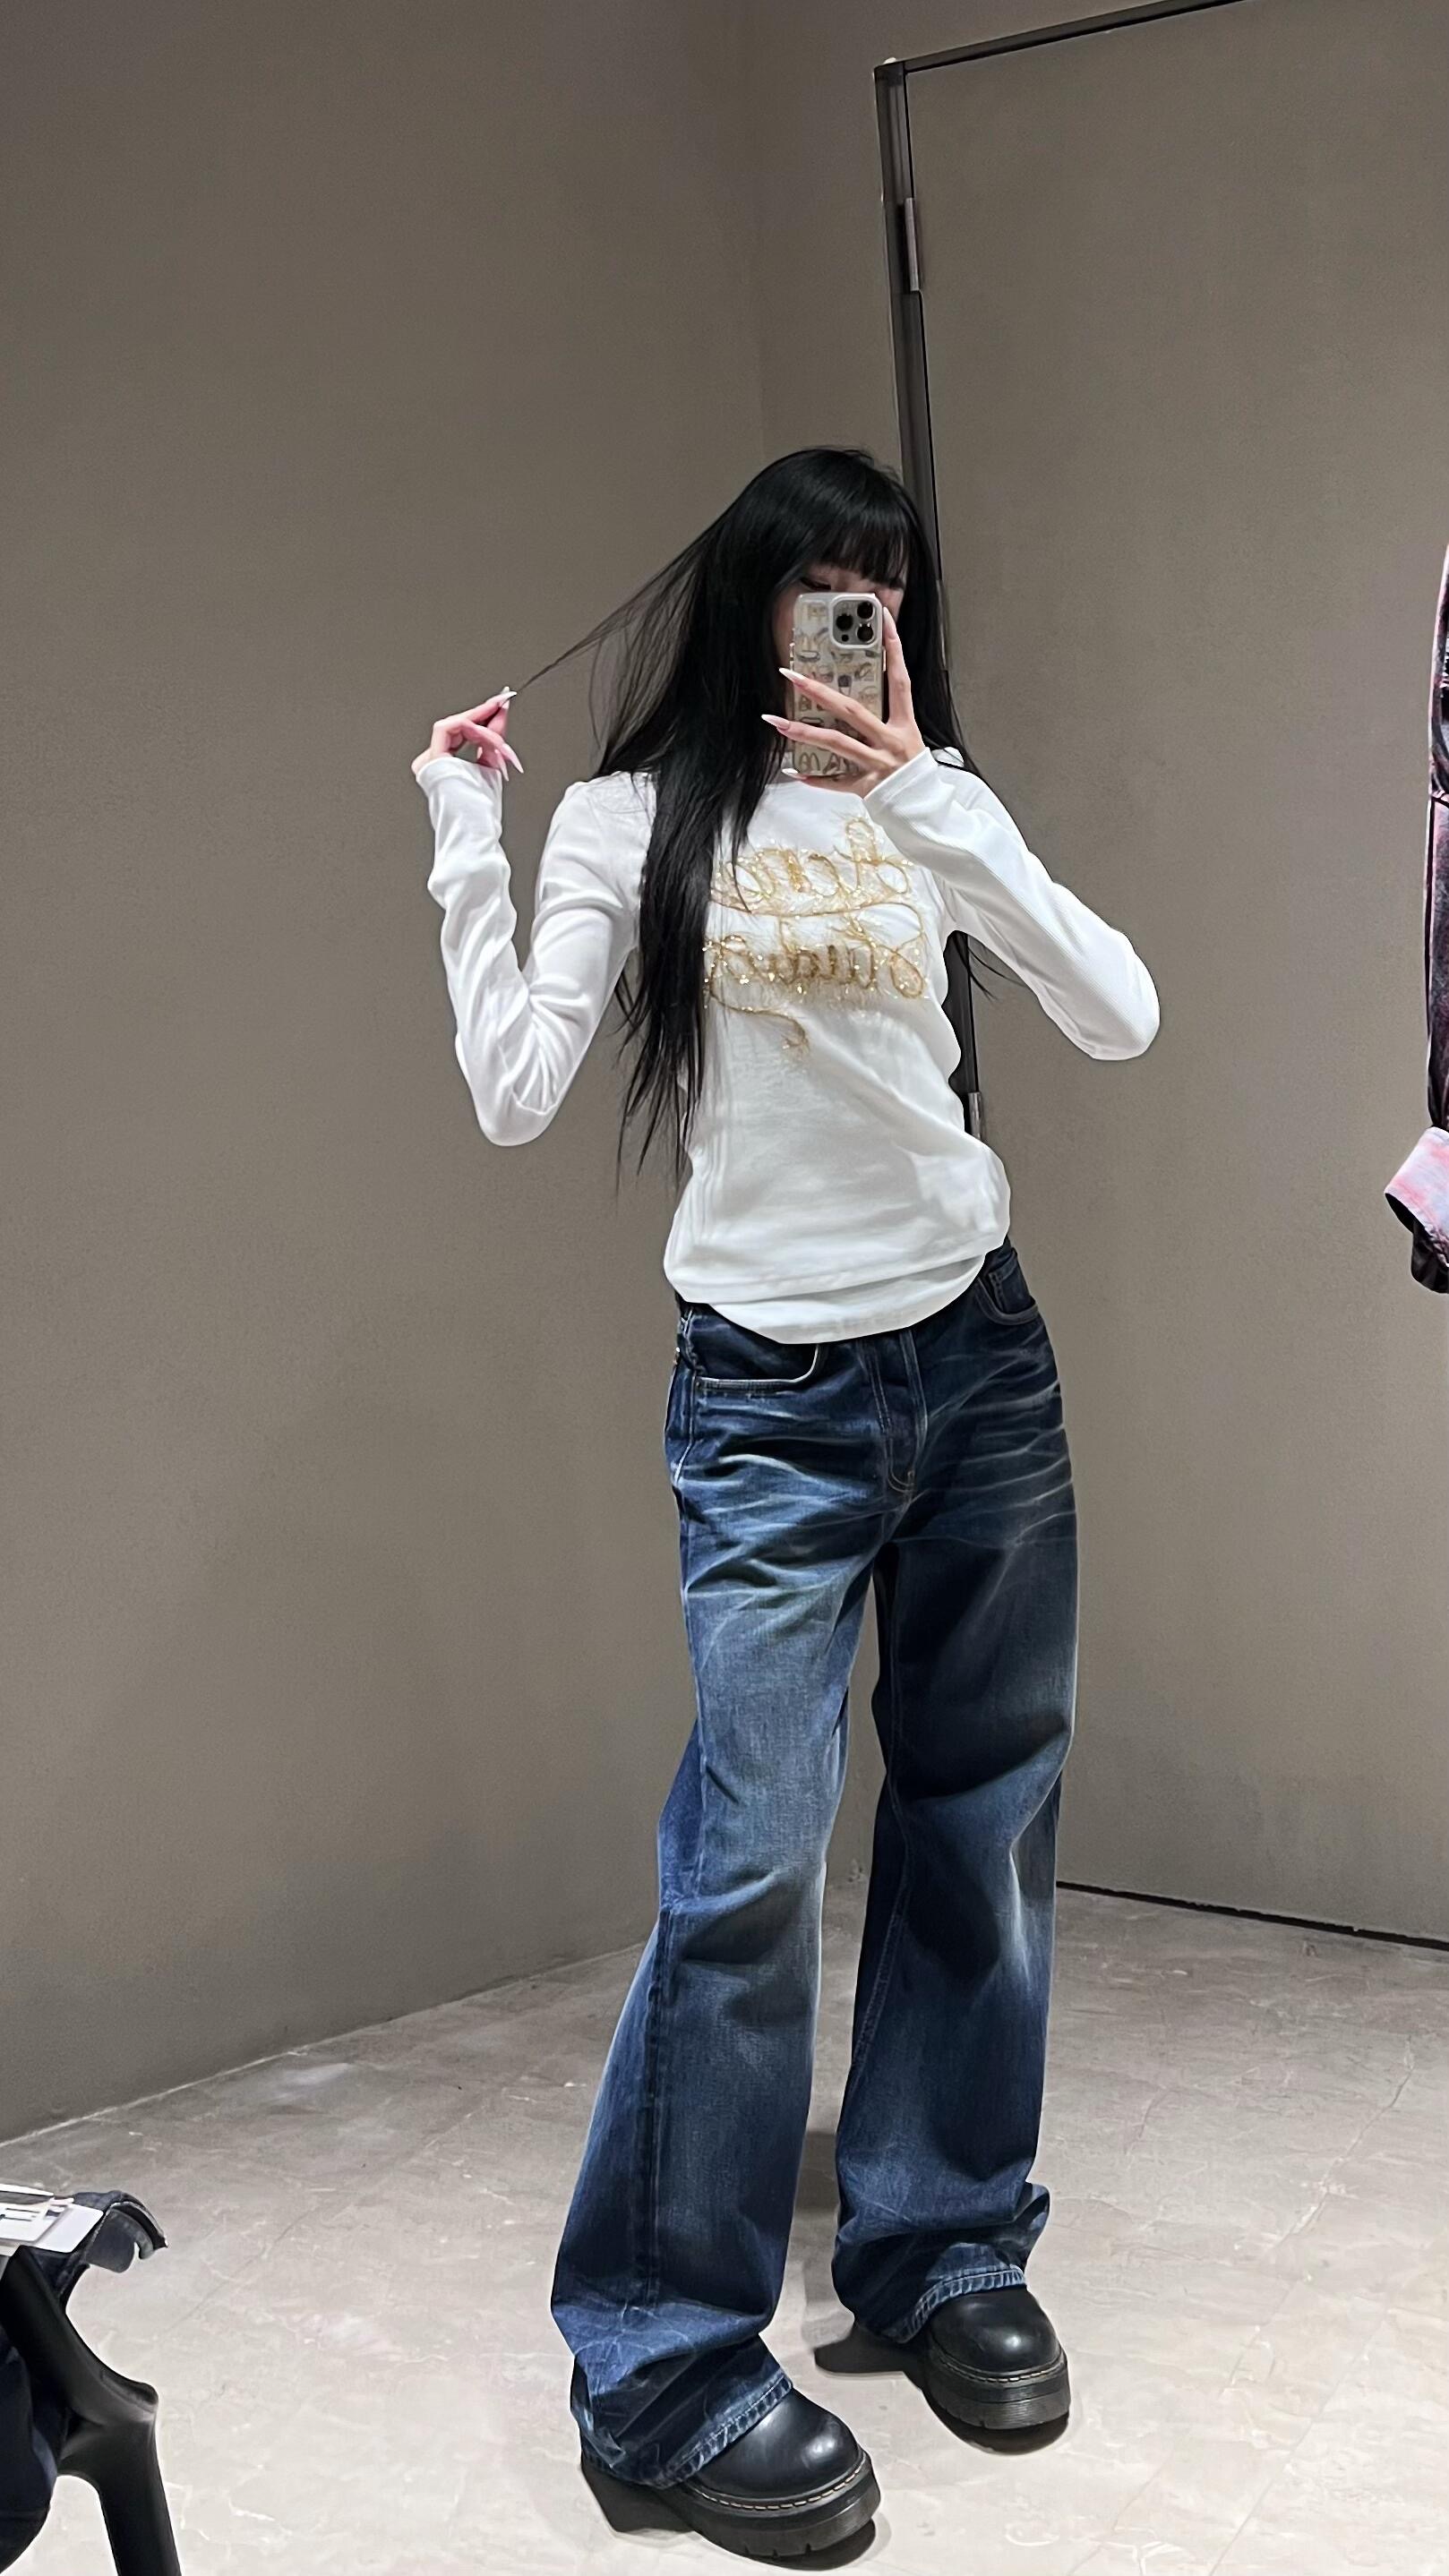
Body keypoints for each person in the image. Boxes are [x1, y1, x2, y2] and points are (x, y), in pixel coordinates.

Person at [411, 448, 1160, 2559]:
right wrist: (462, 829)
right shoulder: (628, 818)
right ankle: (655, 2363)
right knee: (744, 1860)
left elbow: (1116, 1012)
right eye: (824, 585)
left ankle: (936, 2241)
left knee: (981, 1814)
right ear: (746, 595)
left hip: (977, 1359)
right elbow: (514, 1086)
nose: (856, 620)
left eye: (884, 594)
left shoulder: (927, 803)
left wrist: (929, 797)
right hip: (767, 1398)